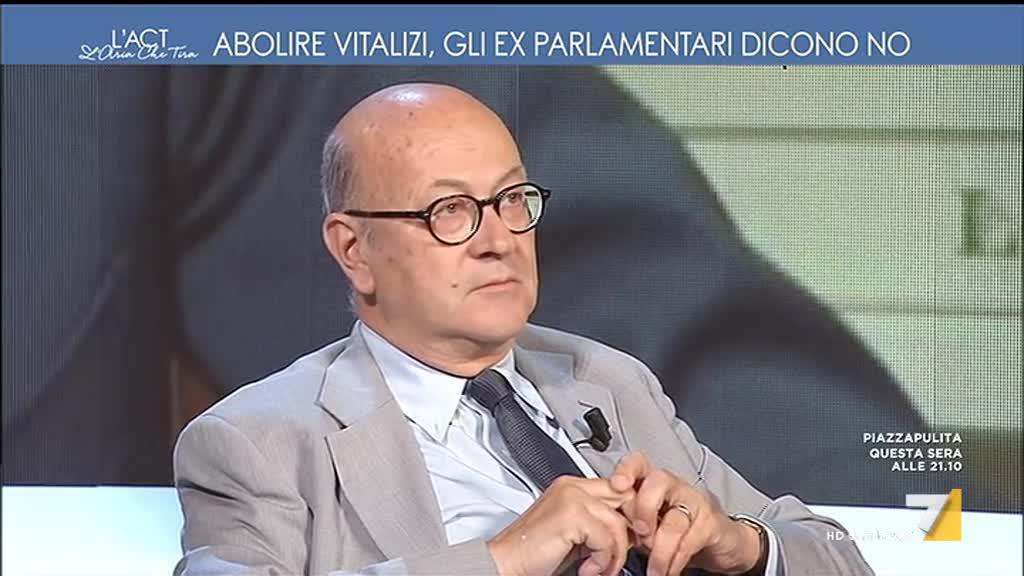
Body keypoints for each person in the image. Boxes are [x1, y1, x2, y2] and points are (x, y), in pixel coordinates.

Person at [173, 82, 873, 576]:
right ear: (354, 250)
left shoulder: (609, 380)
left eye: (512, 199)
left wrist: (739, 544)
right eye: (450, 211)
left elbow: (837, 556)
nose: (498, 239)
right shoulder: (257, 441)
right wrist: (501, 560)